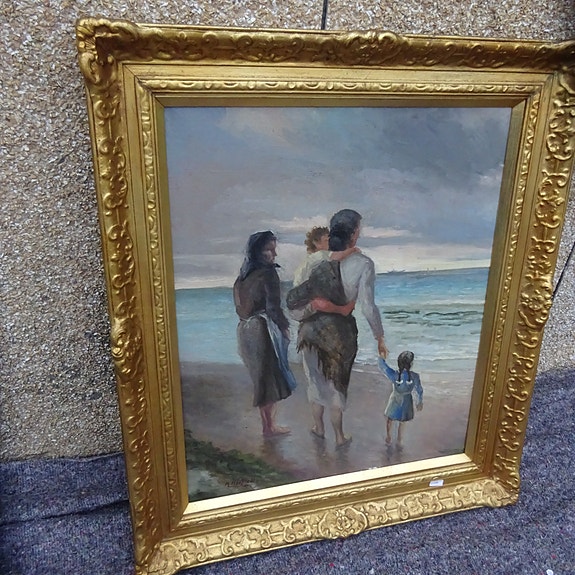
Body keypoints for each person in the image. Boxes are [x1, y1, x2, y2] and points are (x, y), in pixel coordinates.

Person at [287, 209, 388, 447]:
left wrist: (316, 309)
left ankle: (318, 428)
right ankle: (340, 436)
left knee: (315, 381)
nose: (359, 234)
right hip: (340, 333)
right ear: (353, 234)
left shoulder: (312, 261)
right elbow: (368, 307)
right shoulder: (363, 263)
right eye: (358, 230)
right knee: (337, 385)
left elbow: (294, 303)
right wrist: (379, 336)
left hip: (310, 331)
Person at [233, 230, 295, 437]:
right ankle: (270, 427)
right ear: (258, 251)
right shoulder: (268, 274)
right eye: (270, 250)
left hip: (244, 330)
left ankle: (267, 425)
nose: (274, 254)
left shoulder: (241, 279)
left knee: (260, 378)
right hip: (262, 328)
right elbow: (273, 307)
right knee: (270, 377)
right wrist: (284, 327)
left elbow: (240, 309)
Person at [378, 351, 423, 445]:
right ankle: (399, 439)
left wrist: (381, 357)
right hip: (407, 400)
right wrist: (419, 401)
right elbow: (419, 389)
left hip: (395, 398)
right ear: (411, 364)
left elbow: (383, 367)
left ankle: (388, 437)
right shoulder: (415, 376)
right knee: (402, 421)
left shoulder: (395, 374)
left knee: (390, 419)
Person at [293, 226, 359, 287]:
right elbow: (339, 256)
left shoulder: (309, 259)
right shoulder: (320, 254)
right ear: (316, 243)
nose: (329, 243)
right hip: (304, 291)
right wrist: (353, 250)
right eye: (326, 240)